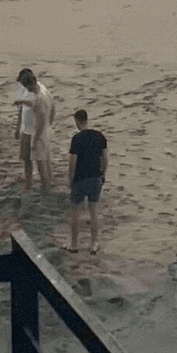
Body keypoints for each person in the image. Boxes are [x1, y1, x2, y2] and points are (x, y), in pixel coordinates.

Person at [68, 107, 108, 257]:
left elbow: (72, 162)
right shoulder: (99, 136)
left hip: (80, 179)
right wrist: (103, 174)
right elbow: (105, 158)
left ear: (77, 121)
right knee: (93, 211)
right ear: (87, 119)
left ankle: (74, 244)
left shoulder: (76, 139)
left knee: (76, 212)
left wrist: (70, 179)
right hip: (96, 177)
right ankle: (93, 244)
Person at [12, 68, 45, 190]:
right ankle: (28, 184)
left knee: (39, 160)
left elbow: (33, 103)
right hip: (25, 131)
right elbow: (21, 110)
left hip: (35, 132)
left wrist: (20, 101)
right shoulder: (25, 92)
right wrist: (17, 127)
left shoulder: (38, 93)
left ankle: (43, 184)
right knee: (26, 160)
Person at [30, 71, 59, 190]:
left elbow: (41, 121)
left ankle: (45, 187)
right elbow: (53, 108)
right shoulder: (43, 88)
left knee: (41, 163)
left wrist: (35, 140)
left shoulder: (38, 99)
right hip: (48, 130)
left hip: (40, 133)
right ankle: (49, 183)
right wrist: (50, 124)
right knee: (47, 160)